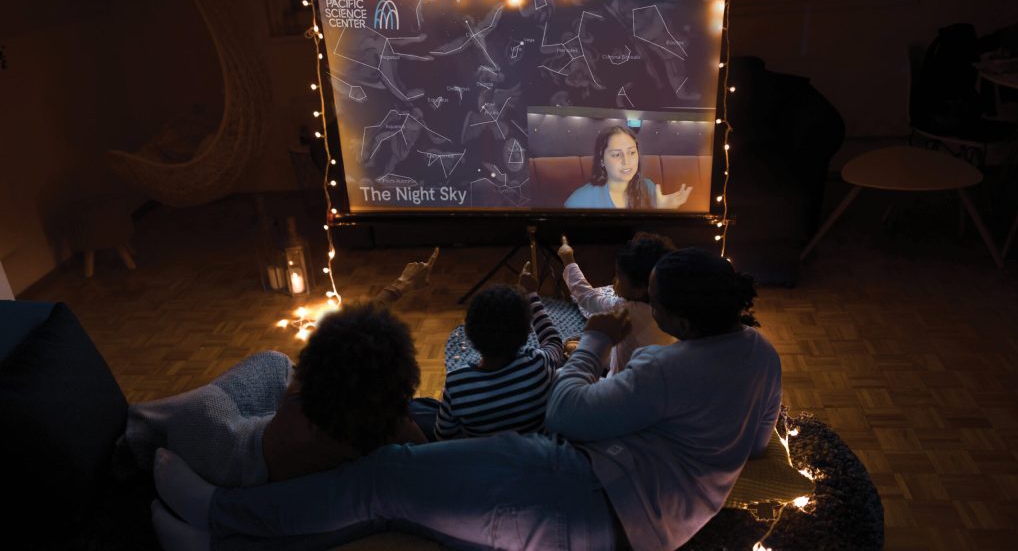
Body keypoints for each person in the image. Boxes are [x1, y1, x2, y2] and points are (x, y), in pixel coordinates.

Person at [151, 248, 782, 551]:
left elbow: (566, 414)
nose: (645, 306)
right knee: (417, 419)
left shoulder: (665, 368)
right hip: (628, 503)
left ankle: (222, 521)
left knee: (388, 477)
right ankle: (251, 492)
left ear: (682, 317)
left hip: (589, 492)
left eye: (654, 300)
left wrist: (588, 344)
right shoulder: (760, 354)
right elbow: (755, 442)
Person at [126, 249, 440, 489]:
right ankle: (135, 435)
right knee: (276, 365)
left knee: (275, 361)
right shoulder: (388, 425)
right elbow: (433, 460)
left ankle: (137, 423)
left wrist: (398, 286)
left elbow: (339, 338)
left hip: (207, 423)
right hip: (215, 441)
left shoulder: (304, 390)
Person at [435, 262, 564, 440]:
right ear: (528, 332)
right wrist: (532, 295)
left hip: (485, 462)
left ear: (468, 333)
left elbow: (444, 436)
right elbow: (554, 341)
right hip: (538, 455)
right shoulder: (538, 364)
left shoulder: (457, 383)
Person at [559, 232, 677, 375]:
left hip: (624, 383)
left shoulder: (624, 309)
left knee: (562, 369)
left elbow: (586, 297)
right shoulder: (668, 305)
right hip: (648, 368)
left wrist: (568, 259)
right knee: (578, 347)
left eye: (619, 277)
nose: (614, 280)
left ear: (639, 289)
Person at [563, 125, 693, 210]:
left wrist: (664, 212)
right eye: (616, 154)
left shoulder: (649, 187)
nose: (626, 161)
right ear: (602, 160)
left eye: (631, 152)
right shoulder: (579, 202)